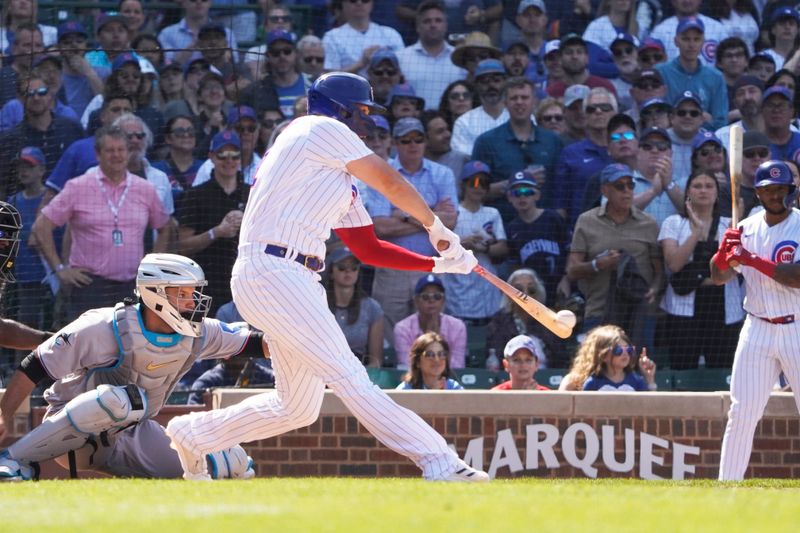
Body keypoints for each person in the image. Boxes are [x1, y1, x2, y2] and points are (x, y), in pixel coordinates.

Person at [162, 72, 488, 482]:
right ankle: (438, 460)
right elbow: (390, 181)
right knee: (349, 376)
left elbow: (368, 249)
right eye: (364, 111)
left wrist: (438, 263)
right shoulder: (318, 127)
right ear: (343, 108)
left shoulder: (337, 178)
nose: (368, 120)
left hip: (291, 278)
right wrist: (433, 225)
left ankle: (194, 433)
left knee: (297, 406)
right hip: (274, 271)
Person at [0, 254, 265, 481]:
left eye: (193, 293)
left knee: (233, 461)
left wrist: (300, 341)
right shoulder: (103, 326)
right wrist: (3, 414)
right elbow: (35, 364)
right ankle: (14, 460)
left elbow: (253, 344)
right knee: (116, 399)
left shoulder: (200, 332)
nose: (192, 303)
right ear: (156, 294)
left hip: (133, 431)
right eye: (182, 294)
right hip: (71, 434)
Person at [713, 160, 800, 481]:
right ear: (758, 193)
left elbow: (796, 277)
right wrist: (723, 254)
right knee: (742, 412)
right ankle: (727, 488)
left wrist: (749, 258)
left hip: (797, 326)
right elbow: (719, 276)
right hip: (757, 328)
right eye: (768, 190)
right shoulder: (746, 228)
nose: (775, 195)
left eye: (781, 189)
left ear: (792, 191)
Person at [31, 126, 171, 322]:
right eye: (110, 150)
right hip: (90, 287)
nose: (116, 155)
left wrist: (153, 268)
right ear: (98, 154)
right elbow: (41, 226)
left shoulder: (145, 189)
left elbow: (165, 227)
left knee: (130, 349)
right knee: (91, 350)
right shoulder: (78, 186)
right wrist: (60, 269)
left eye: (121, 150)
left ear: (128, 152)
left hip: (131, 286)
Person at [566, 163, 662, 348]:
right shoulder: (586, 221)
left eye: (630, 185)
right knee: (596, 370)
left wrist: (655, 288)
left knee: (639, 371)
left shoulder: (648, 223)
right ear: (605, 190)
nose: (627, 191)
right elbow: (572, 270)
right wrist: (597, 264)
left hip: (639, 314)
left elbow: (659, 270)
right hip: (599, 312)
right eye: (620, 186)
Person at [659, 170, 744, 370]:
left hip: (726, 310)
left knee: (723, 369)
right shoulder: (674, 223)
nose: (703, 191)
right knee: (683, 367)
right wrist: (696, 232)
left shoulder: (729, 225)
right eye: (697, 186)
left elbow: (737, 266)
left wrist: (703, 278)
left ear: (717, 193)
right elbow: (674, 265)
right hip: (683, 312)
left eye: (709, 186)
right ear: (688, 191)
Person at [175, 130, 248, 315]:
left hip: (245, 285)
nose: (229, 161)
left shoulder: (252, 194)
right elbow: (182, 246)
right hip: (206, 286)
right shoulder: (195, 195)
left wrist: (246, 222)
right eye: (222, 155)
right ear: (211, 157)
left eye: (234, 155)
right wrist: (217, 232)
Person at [471, 76, 562, 217]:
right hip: (502, 227)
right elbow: (474, 190)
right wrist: (518, 181)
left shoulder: (552, 141)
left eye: (524, 97)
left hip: (546, 225)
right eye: (514, 98)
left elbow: (562, 189)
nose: (519, 102)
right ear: (505, 103)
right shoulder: (486, 142)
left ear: (535, 102)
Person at [441, 161, 506, 323]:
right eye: (473, 182)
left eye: (483, 183)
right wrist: (462, 244)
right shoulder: (451, 214)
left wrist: (484, 248)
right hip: (457, 292)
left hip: (487, 292)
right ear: (463, 185)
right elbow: (438, 251)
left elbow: (503, 249)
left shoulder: (492, 213)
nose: (478, 187)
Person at [505, 170, 569, 308]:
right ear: (509, 197)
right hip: (533, 293)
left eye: (528, 192)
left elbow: (570, 250)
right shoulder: (512, 228)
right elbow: (516, 265)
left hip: (559, 287)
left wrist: (567, 279)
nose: (522, 197)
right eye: (516, 193)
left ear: (537, 195)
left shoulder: (553, 218)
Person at [656, 17, 729, 130]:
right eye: (685, 39)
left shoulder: (716, 77)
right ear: (676, 41)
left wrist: (706, 123)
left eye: (696, 39)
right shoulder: (660, 72)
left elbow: (721, 121)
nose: (691, 44)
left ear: (703, 42)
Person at [486, 267, 566, 368]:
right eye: (518, 290)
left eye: (531, 290)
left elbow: (560, 358)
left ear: (538, 293)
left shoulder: (550, 319)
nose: (525, 295)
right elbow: (496, 355)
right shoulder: (499, 320)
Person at [396, 1, 466, 110]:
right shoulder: (401, 58)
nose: (433, 25)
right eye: (427, 21)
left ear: (446, 26)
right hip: (415, 123)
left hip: (451, 121)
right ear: (418, 27)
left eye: (438, 20)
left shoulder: (460, 57)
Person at [324, 247, 385, 368]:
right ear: (331, 272)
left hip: (359, 372)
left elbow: (376, 362)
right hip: (324, 369)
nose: (348, 272)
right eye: (342, 267)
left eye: (354, 268)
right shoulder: (319, 304)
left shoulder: (372, 308)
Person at [394, 274, 467, 370]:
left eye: (437, 296)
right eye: (425, 297)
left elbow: (457, 366)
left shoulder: (457, 327)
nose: (431, 300)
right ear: (416, 301)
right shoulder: (402, 328)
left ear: (443, 301)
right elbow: (406, 365)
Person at [322, 0, 404, 75]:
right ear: (343, 4)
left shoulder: (390, 34)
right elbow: (328, 77)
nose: (359, 3)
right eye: (353, 0)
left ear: (372, 3)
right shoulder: (332, 37)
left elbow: (403, 71)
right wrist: (361, 63)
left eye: (365, 0)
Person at [451, 58, 508, 156]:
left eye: (497, 80)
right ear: (476, 85)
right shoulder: (464, 122)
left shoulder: (521, 117)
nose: (491, 85)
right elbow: (464, 156)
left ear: (505, 83)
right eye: (485, 81)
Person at [574, 325, 657, 391]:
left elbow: (651, 409)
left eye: (629, 350)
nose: (625, 354)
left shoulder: (637, 381)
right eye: (618, 350)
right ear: (603, 356)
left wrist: (650, 379)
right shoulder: (592, 383)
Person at [395, 332, 463, 390]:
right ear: (418, 362)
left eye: (442, 354)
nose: (436, 359)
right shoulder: (405, 390)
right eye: (430, 354)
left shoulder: (454, 388)